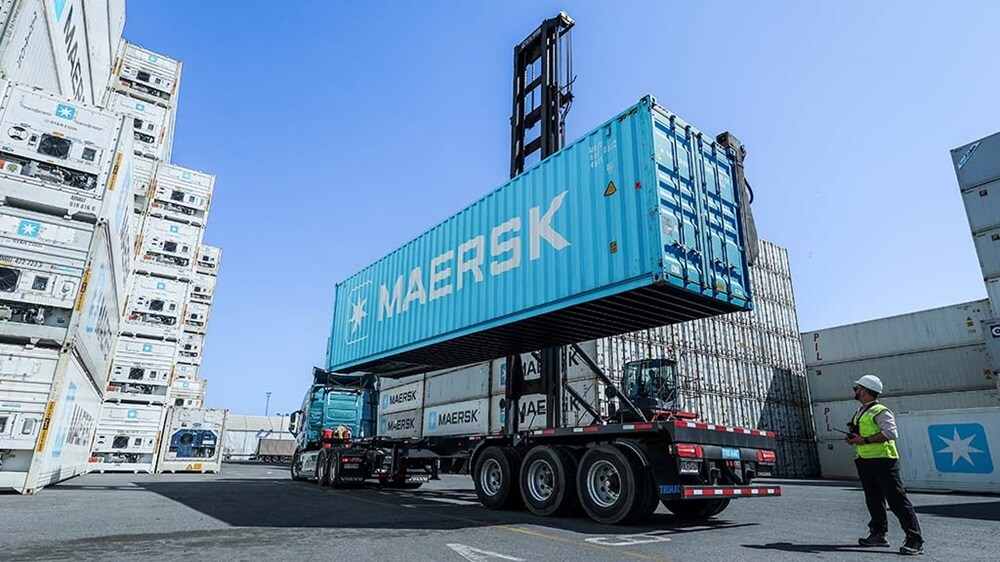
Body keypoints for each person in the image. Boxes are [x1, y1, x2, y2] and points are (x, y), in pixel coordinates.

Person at [845, 375, 924, 556]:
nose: (855, 391)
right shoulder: (861, 411)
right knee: (873, 499)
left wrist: (864, 440)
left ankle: (915, 540)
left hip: (884, 460)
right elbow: (863, 434)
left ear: (864, 390)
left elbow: (890, 433)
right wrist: (855, 439)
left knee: (897, 500)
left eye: (856, 388)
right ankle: (878, 534)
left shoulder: (881, 411)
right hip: (865, 460)